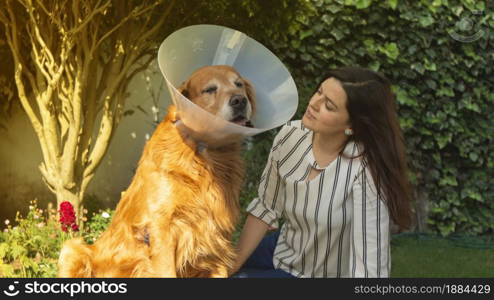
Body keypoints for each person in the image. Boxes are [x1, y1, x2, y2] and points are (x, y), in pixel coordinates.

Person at [231, 66, 412, 278]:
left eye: (328, 105)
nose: (314, 104)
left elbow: (371, 263)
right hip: (284, 250)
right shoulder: (291, 134)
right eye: (319, 92)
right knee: (209, 270)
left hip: (317, 276)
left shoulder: (364, 171)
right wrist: (229, 267)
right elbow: (265, 207)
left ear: (352, 125)